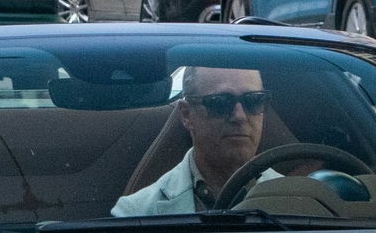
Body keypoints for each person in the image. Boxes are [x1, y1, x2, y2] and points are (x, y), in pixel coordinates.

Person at [111, 65, 280, 216]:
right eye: (220, 103)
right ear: (186, 114)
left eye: (253, 100)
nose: (240, 116)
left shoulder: (300, 201)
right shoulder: (135, 213)